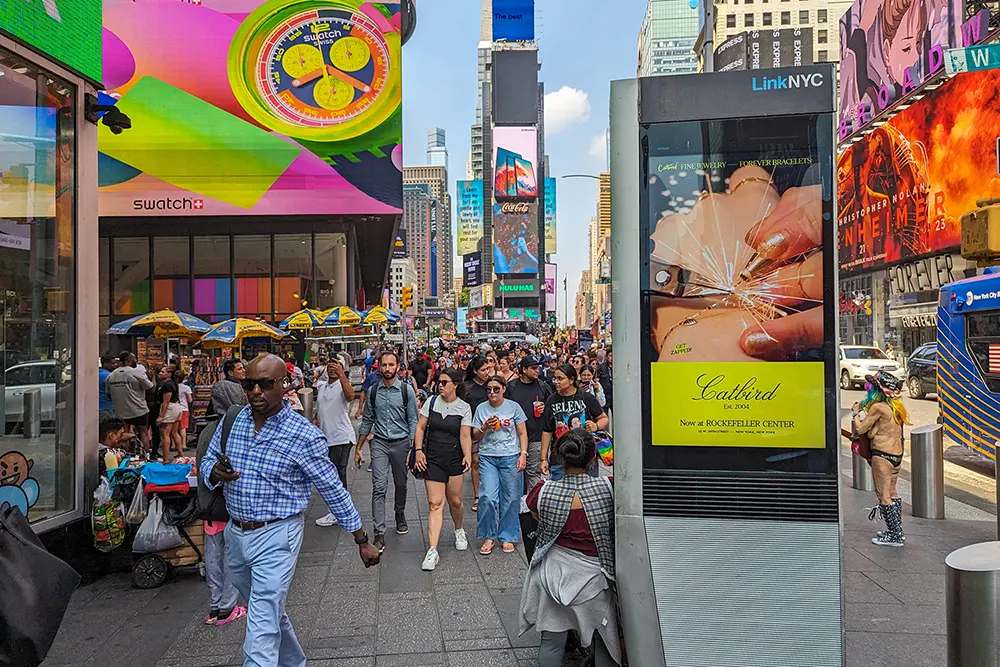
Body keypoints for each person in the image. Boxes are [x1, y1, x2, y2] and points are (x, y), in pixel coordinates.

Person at [200, 354, 380, 667]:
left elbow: (332, 490)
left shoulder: (303, 435)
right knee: (266, 610)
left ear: (283, 385)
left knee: (262, 619)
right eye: (249, 384)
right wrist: (214, 471)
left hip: (277, 535)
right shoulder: (233, 419)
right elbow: (206, 460)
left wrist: (361, 538)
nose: (256, 391)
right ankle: (293, 662)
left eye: (265, 384)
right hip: (235, 535)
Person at [519, 429, 620, 666]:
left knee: (552, 643)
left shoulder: (542, 491)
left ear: (560, 458)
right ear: (593, 459)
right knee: (606, 641)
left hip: (553, 575)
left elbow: (535, 516)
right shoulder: (609, 488)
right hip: (595, 578)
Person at [195, 378, 247, 628]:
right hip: (227, 504)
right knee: (230, 557)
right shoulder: (234, 427)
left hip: (208, 505)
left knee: (213, 555)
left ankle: (216, 605)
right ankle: (228, 607)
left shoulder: (206, 429)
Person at [355, 350, 419, 553]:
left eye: (391, 365)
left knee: (401, 483)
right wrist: (359, 448)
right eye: (384, 365)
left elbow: (413, 420)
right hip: (380, 443)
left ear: (398, 367)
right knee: (379, 487)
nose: (388, 369)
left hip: (401, 444)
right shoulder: (374, 391)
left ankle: (399, 513)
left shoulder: (406, 390)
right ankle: (379, 531)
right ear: (379, 367)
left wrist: (413, 447)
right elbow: (367, 421)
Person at [412, 368, 473, 571]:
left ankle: (458, 528)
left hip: (454, 459)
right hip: (433, 458)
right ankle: (432, 550)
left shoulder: (464, 407)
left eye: (445, 382)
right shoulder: (431, 402)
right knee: (435, 503)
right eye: (439, 381)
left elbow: (465, 435)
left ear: (455, 384)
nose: (441, 385)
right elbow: (420, 427)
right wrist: (418, 450)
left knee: (455, 501)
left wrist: (467, 454)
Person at [853, 371, 911, 547]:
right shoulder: (897, 408)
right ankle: (897, 531)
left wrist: (856, 413)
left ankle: (894, 536)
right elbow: (879, 430)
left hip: (882, 456)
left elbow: (862, 429)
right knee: (893, 493)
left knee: (883, 495)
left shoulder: (878, 407)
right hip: (896, 456)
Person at [472, 375, 528, 555]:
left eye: (496, 389)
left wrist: (523, 454)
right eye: (488, 389)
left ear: (503, 388)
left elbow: (522, 432)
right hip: (488, 456)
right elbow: (474, 435)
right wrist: (484, 427)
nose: (492, 393)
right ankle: (489, 534)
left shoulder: (514, 407)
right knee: (487, 496)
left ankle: (508, 535)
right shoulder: (481, 408)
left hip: (510, 455)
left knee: (511, 498)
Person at [540, 364, 609, 480]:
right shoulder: (551, 400)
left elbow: (603, 418)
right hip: (560, 459)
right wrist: (543, 459)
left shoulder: (585, 397)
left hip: (586, 458)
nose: (556, 382)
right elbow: (547, 431)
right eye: (555, 378)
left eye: (560, 379)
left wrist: (596, 426)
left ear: (571, 380)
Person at [314, 355, 356, 527]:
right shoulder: (322, 386)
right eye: (329, 365)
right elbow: (320, 409)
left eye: (336, 365)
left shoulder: (342, 385)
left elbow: (351, 395)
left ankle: (340, 512)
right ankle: (341, 510)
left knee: (338, 474)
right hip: (326, 438)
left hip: (341, 437)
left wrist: (342, 375)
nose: (332, 368)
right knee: (333, 475)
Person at [505, 355, 552, 491]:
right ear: (524, 370)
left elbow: (552, 408)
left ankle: (533, 507)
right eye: (533, 368)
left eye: (538, 368)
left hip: (536, 436)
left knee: (534, 474)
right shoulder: (511, 387)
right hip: (513, 438)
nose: (537, 371)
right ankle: (518, 506)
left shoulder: (543, 386)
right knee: (515, 474)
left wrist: (545, 408)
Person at [106, 351, 155, 454]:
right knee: (143, 431)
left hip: (121, 411)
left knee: (124, 432)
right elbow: (151, 388)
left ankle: (126, 453)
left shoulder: (111, 376)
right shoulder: (136, 373)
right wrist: (153, 378)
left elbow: (108, 394)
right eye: (134, 359)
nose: (136, 361)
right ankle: (145, 454)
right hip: (138, 409)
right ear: (129, 360)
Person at [460, 355, 492, 512]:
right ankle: (478, 496)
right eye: (483, 370)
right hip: (473, 429)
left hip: (493, 428)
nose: (487, 372)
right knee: (476, 463)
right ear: (475, 371)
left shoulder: (492, 385)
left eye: (488, 369)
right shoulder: (466, 387)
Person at [156, 364, 184, 462]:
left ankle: (166, 458)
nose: (160, 373)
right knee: (174, 432)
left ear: (169, 374)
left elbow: (166, 402)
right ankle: (180, 454)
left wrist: (161, 416)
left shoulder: (167, 385)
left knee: (165, 434)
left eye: (162, 372)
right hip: (177, 407)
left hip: (170, 408)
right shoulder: (173, 383)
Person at [175, 368, 193, 449]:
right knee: (183, 428)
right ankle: (183, 445)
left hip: (174, 408)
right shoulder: (186, 388)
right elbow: (190, 400)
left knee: (174, 428)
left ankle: (173, 445)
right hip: (184, 409)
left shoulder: (172, 386)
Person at [98, 353, 119, 421]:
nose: (115, 365)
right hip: (108, 408)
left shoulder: (98, 373)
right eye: (113, 363)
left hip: (100, 407)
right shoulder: (109, 376)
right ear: (105, 364)